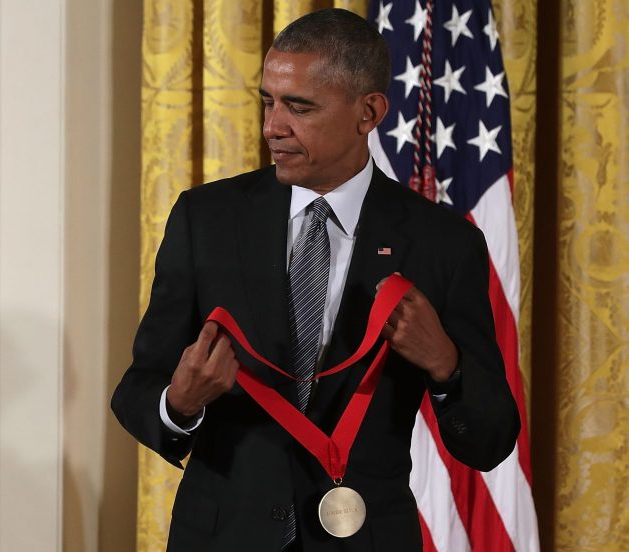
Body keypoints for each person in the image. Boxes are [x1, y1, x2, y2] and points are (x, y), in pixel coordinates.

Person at [111, 8, 519, 551]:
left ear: (368, 112)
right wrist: (180, 404)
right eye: (268, 102)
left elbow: (489, 442)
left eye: (298, 107)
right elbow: (138, 392)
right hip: (222, 537)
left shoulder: (442, 243)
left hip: (366, 538)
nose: (272, 127)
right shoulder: (207, 219)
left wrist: (446, 364)